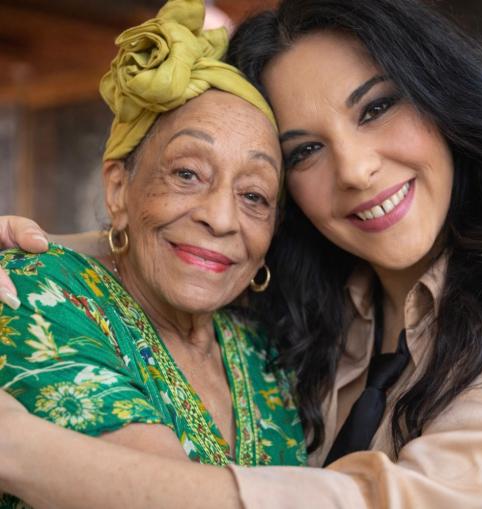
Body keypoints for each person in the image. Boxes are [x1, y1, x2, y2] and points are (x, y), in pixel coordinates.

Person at [1, 0, 482, 507]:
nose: (356, 170)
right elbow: (181, 245)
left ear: (442, 98)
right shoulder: (329, 311)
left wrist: (19, 450)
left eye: (376, 108)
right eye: (306, 150)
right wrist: (37, 254)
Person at [0, 1, 307, 507]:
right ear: (119, 189)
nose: (222, 218)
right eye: (187, 173)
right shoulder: (34, 290)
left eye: (254, 195)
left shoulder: (263, 351)